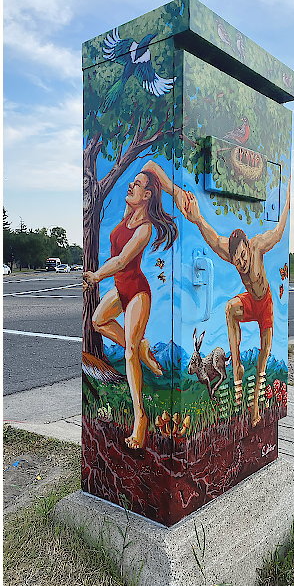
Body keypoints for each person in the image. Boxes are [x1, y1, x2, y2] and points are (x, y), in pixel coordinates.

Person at [83, 160, 191, 449]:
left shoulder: (144, 228)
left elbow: (120, 261)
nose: (131, 185)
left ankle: (139, 418)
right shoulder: (127, 213)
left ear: (148, 197)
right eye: (133, 182)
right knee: (97, 321)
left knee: (129, 353)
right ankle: (142, 346)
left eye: (138, 185)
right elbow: (150, 164)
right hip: (120, 288)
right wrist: (152, 180)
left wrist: (95, 276)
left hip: (137, 292)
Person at [184, 178, 290, 426]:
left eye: (242, 257)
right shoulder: (231, 253)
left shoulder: (257, 246)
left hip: (265, 304)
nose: (241, 262)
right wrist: (198, 218)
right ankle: (237, 366)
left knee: (264, 355)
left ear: (247, 248)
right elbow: (212, 238)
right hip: (249, 302)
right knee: (230, 308)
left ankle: (255, 410)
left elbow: (277, 233)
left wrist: (286, 206)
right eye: (237, 260)